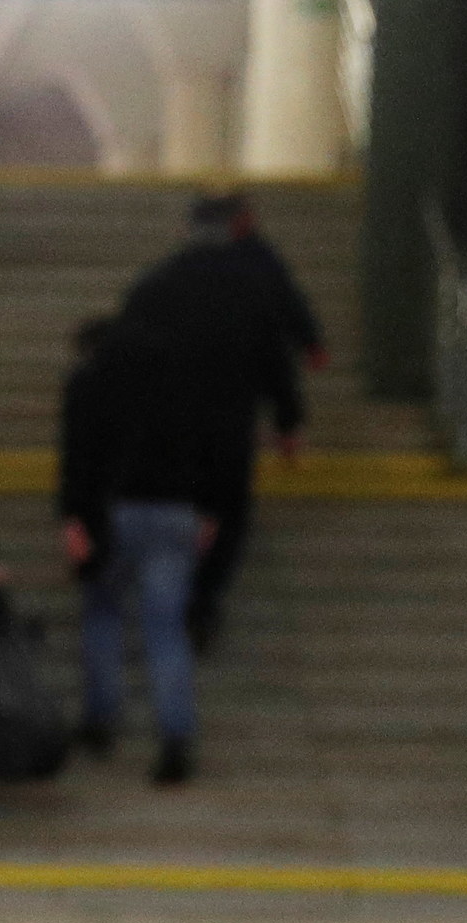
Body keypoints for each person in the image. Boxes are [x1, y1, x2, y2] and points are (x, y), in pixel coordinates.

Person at [118, 192, 316, 646]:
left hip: (164, 429)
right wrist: (288, 422)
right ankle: (203, 602)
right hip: (229, 428)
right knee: (227, 513)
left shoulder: (154, 288)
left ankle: (166, 596)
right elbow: (274, 360)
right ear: (231, 231)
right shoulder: (250, 290)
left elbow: (122, 362)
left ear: (185, 230)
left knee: (173, 509)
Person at [61, 314, 237, 785]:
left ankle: (101, 720)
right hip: (176, 514)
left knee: (102, 614)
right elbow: (216, 448)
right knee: (166, 629)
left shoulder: (91, 382)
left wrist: (74, 517)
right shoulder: (185, 384)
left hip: (111, 515)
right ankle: (175, 739)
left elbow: (78, 453)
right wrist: (211, 511)